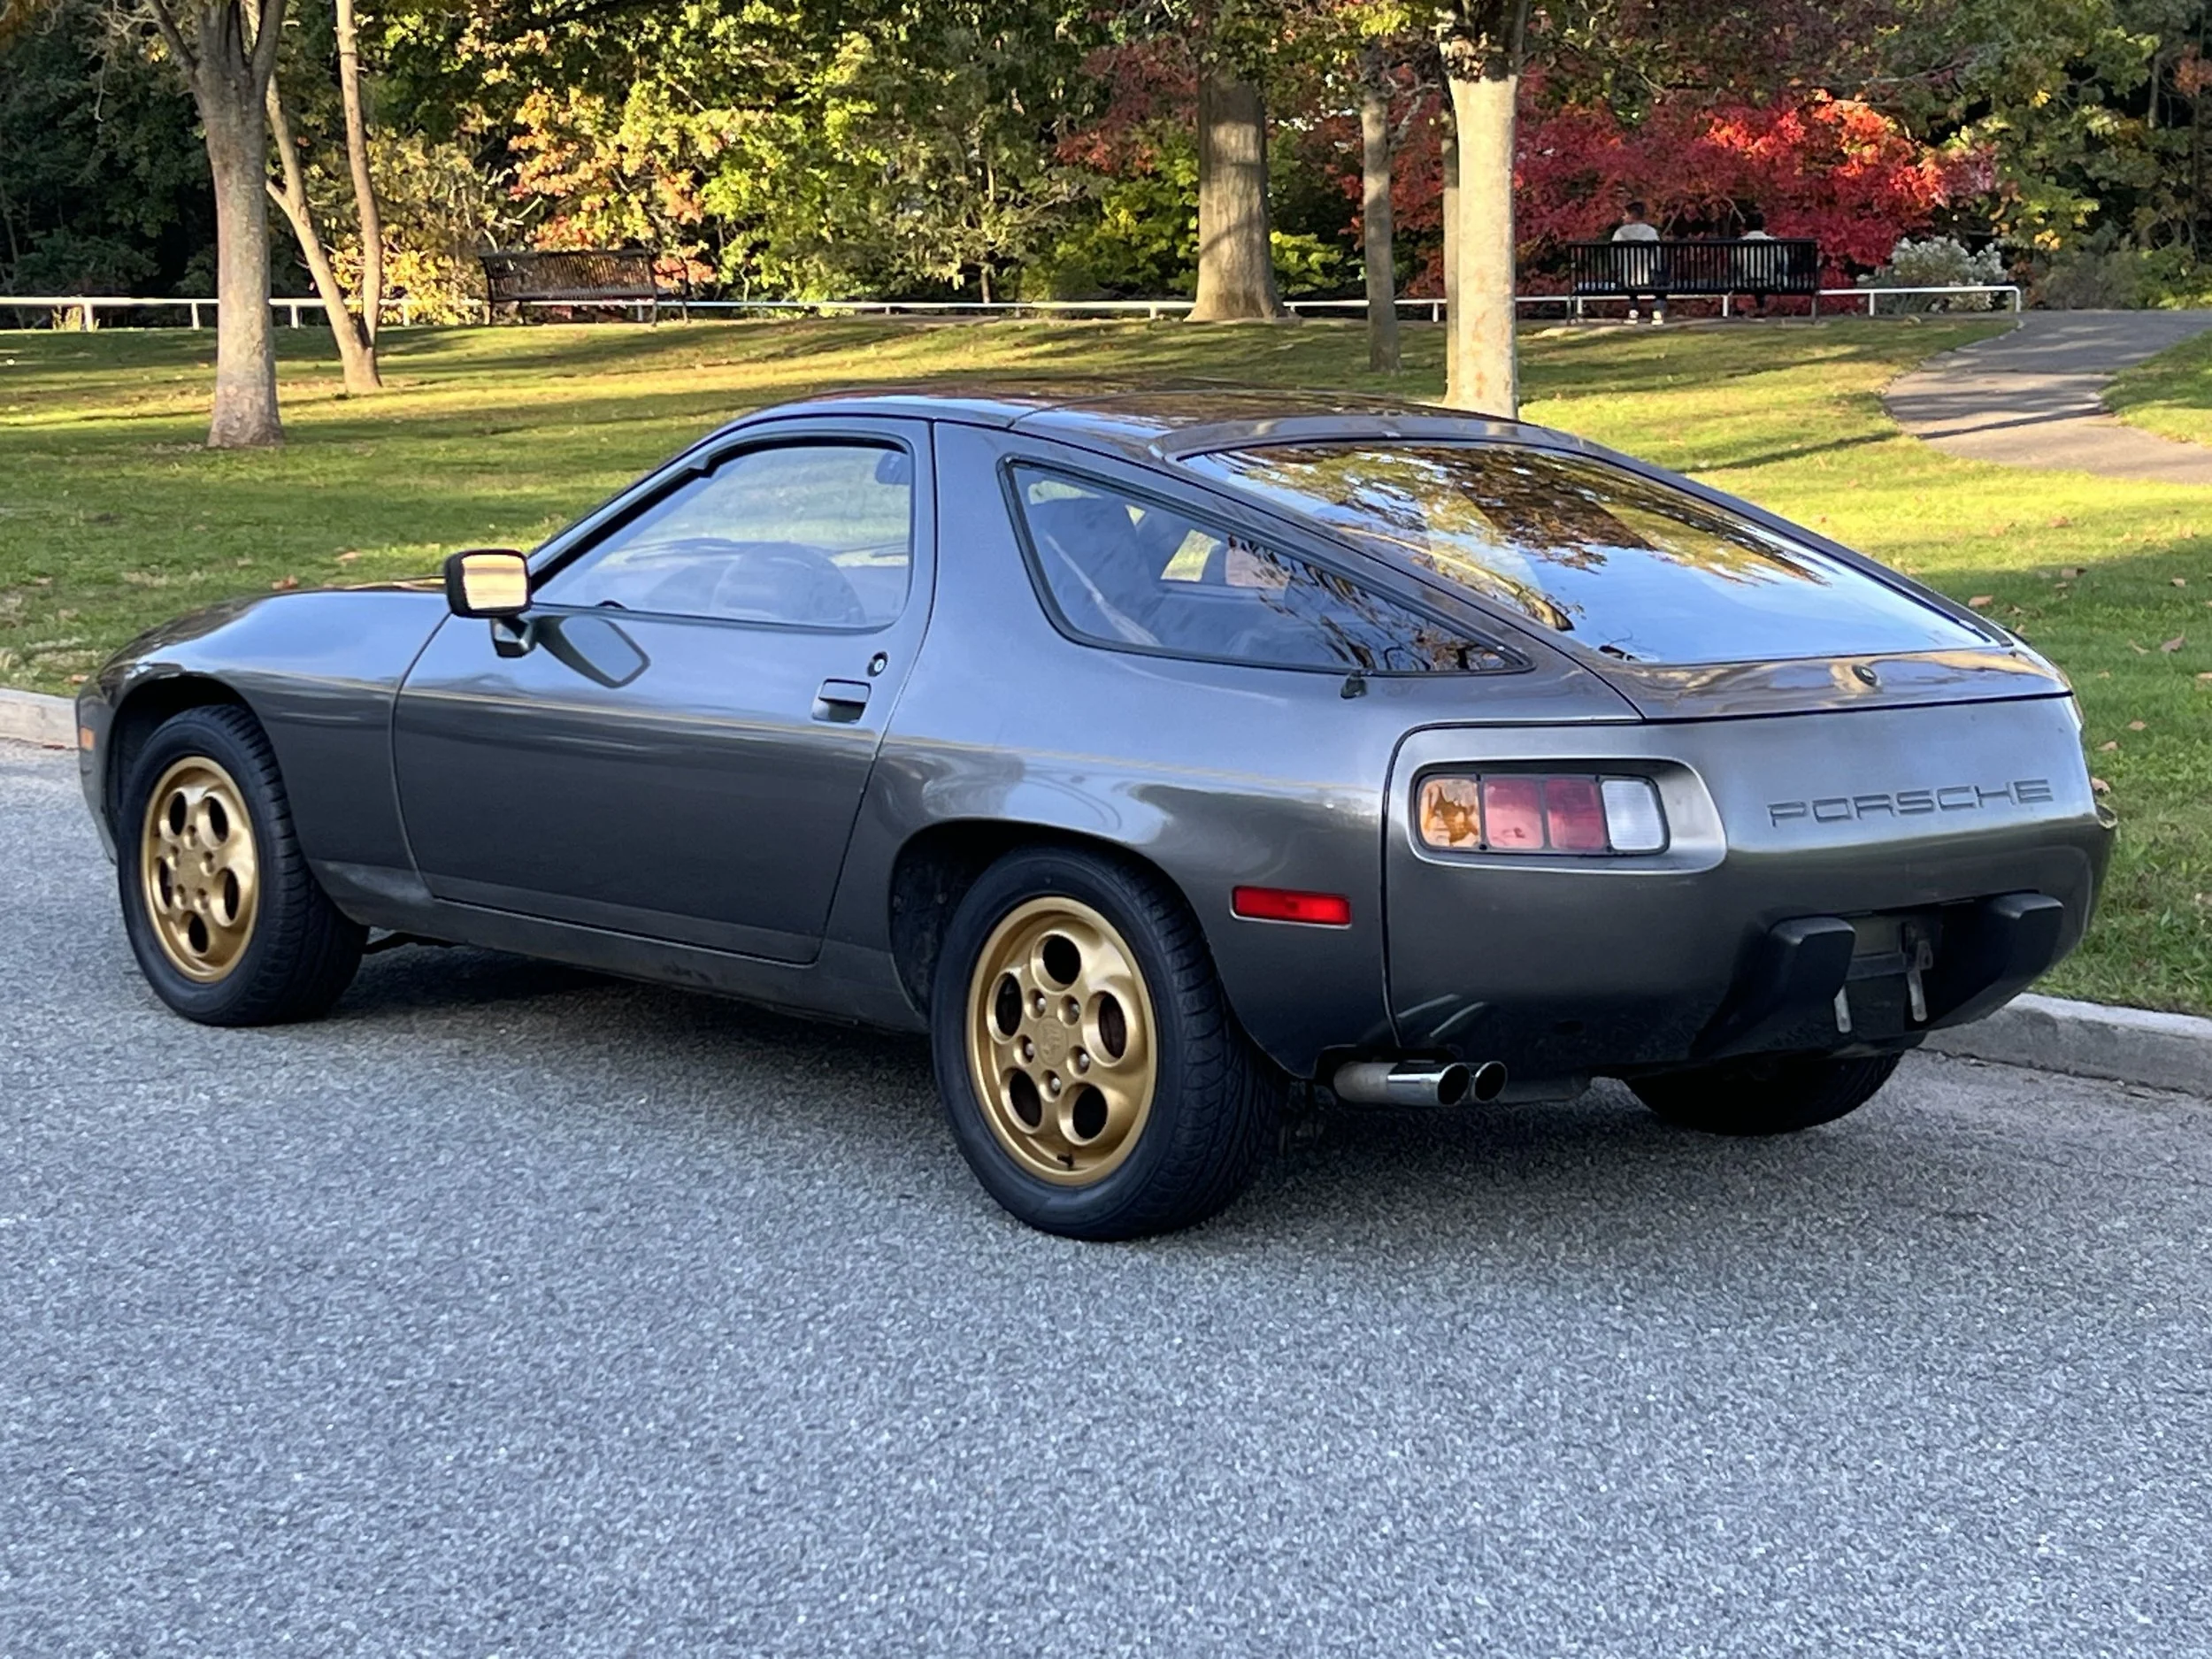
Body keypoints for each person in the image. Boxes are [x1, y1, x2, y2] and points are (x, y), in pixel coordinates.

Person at [1611, 201, 1664, 324]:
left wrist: (1617, 268)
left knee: (1630, 277)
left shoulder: (1620, 233)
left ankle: (1633, 311)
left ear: (1631, 215)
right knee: (1662, 280)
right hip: (1648, 276)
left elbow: (1614, 254)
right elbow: (1657, 254)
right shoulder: (1651, 232)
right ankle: (1657, 311)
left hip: (1626, 278)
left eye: (1625, 214)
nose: (1623, 217)